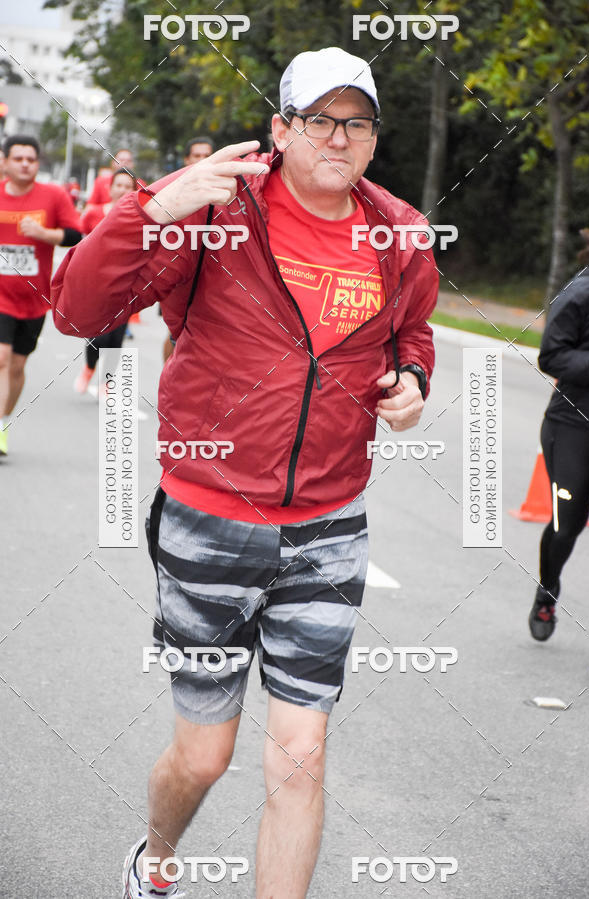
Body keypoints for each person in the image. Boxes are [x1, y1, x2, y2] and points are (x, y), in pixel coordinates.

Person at [52, 47, 438, 899]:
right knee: (207, 753)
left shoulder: (400, 232)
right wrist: (150, 207)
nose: (339, 137)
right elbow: (77, 309)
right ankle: (157, 856)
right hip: (207, 517)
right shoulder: (217, 210)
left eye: (358, 121)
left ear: (375, 136)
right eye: (319, 119)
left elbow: (412, 332)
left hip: (330, 530)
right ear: (281, 127)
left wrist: (413, 379)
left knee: (300, 760)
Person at [528, 229, 589, 672]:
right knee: (566, 525)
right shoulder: (582, 292)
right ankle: (547, 589)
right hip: (572, 427)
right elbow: (552, 358)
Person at [0, 134, 82, 457]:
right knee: (2, 359)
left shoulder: (53, 197)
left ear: (37, 163)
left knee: (17, 367)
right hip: (0, 296)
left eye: (30, 159)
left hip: (34, 300)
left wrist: (44, 233)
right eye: (17, 158)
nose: (24, 164)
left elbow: (75, 234)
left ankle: (3, 422)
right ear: (4, 162)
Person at [73, 168, 138, 394]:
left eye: (128, 186)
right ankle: (90, 368)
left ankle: (106, 381)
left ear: (134, 190)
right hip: (96, 285)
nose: (122, 190)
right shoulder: (93, 214)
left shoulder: (139, 216)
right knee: (99, 336)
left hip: (126, 285)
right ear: (109, 189)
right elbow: (80, 248)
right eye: (118, 185)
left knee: (116, 338)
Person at [161, 137, 216, 363]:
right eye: (197, 155)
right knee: (176, 333)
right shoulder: (171, 190)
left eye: (207, 155)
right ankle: (169, 375)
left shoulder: (224, 190)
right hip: (177, 273)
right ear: (187, 159)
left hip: (212, 273)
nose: (202, 160)